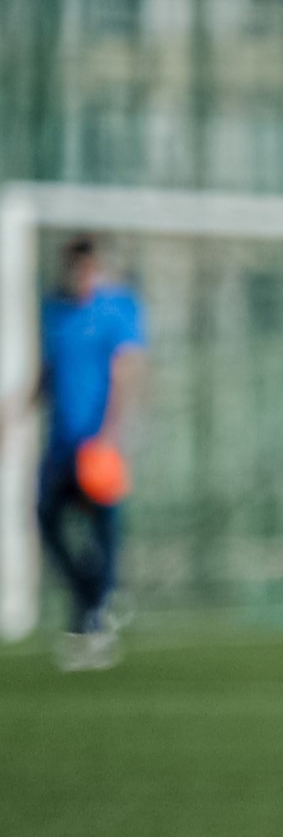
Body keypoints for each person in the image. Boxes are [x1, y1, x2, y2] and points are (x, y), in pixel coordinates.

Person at [32, 236, 146, 672]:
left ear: (95, 268)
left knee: (102, 531)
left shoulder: (115, 310)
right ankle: (94, 594)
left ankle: (94, 618)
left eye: (87, 268)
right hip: (61, 444)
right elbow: (48, 372)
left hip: (97, 445)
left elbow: (125, 372)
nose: (80, 275)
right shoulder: (56, 312)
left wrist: (114, 434)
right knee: (46, 518)